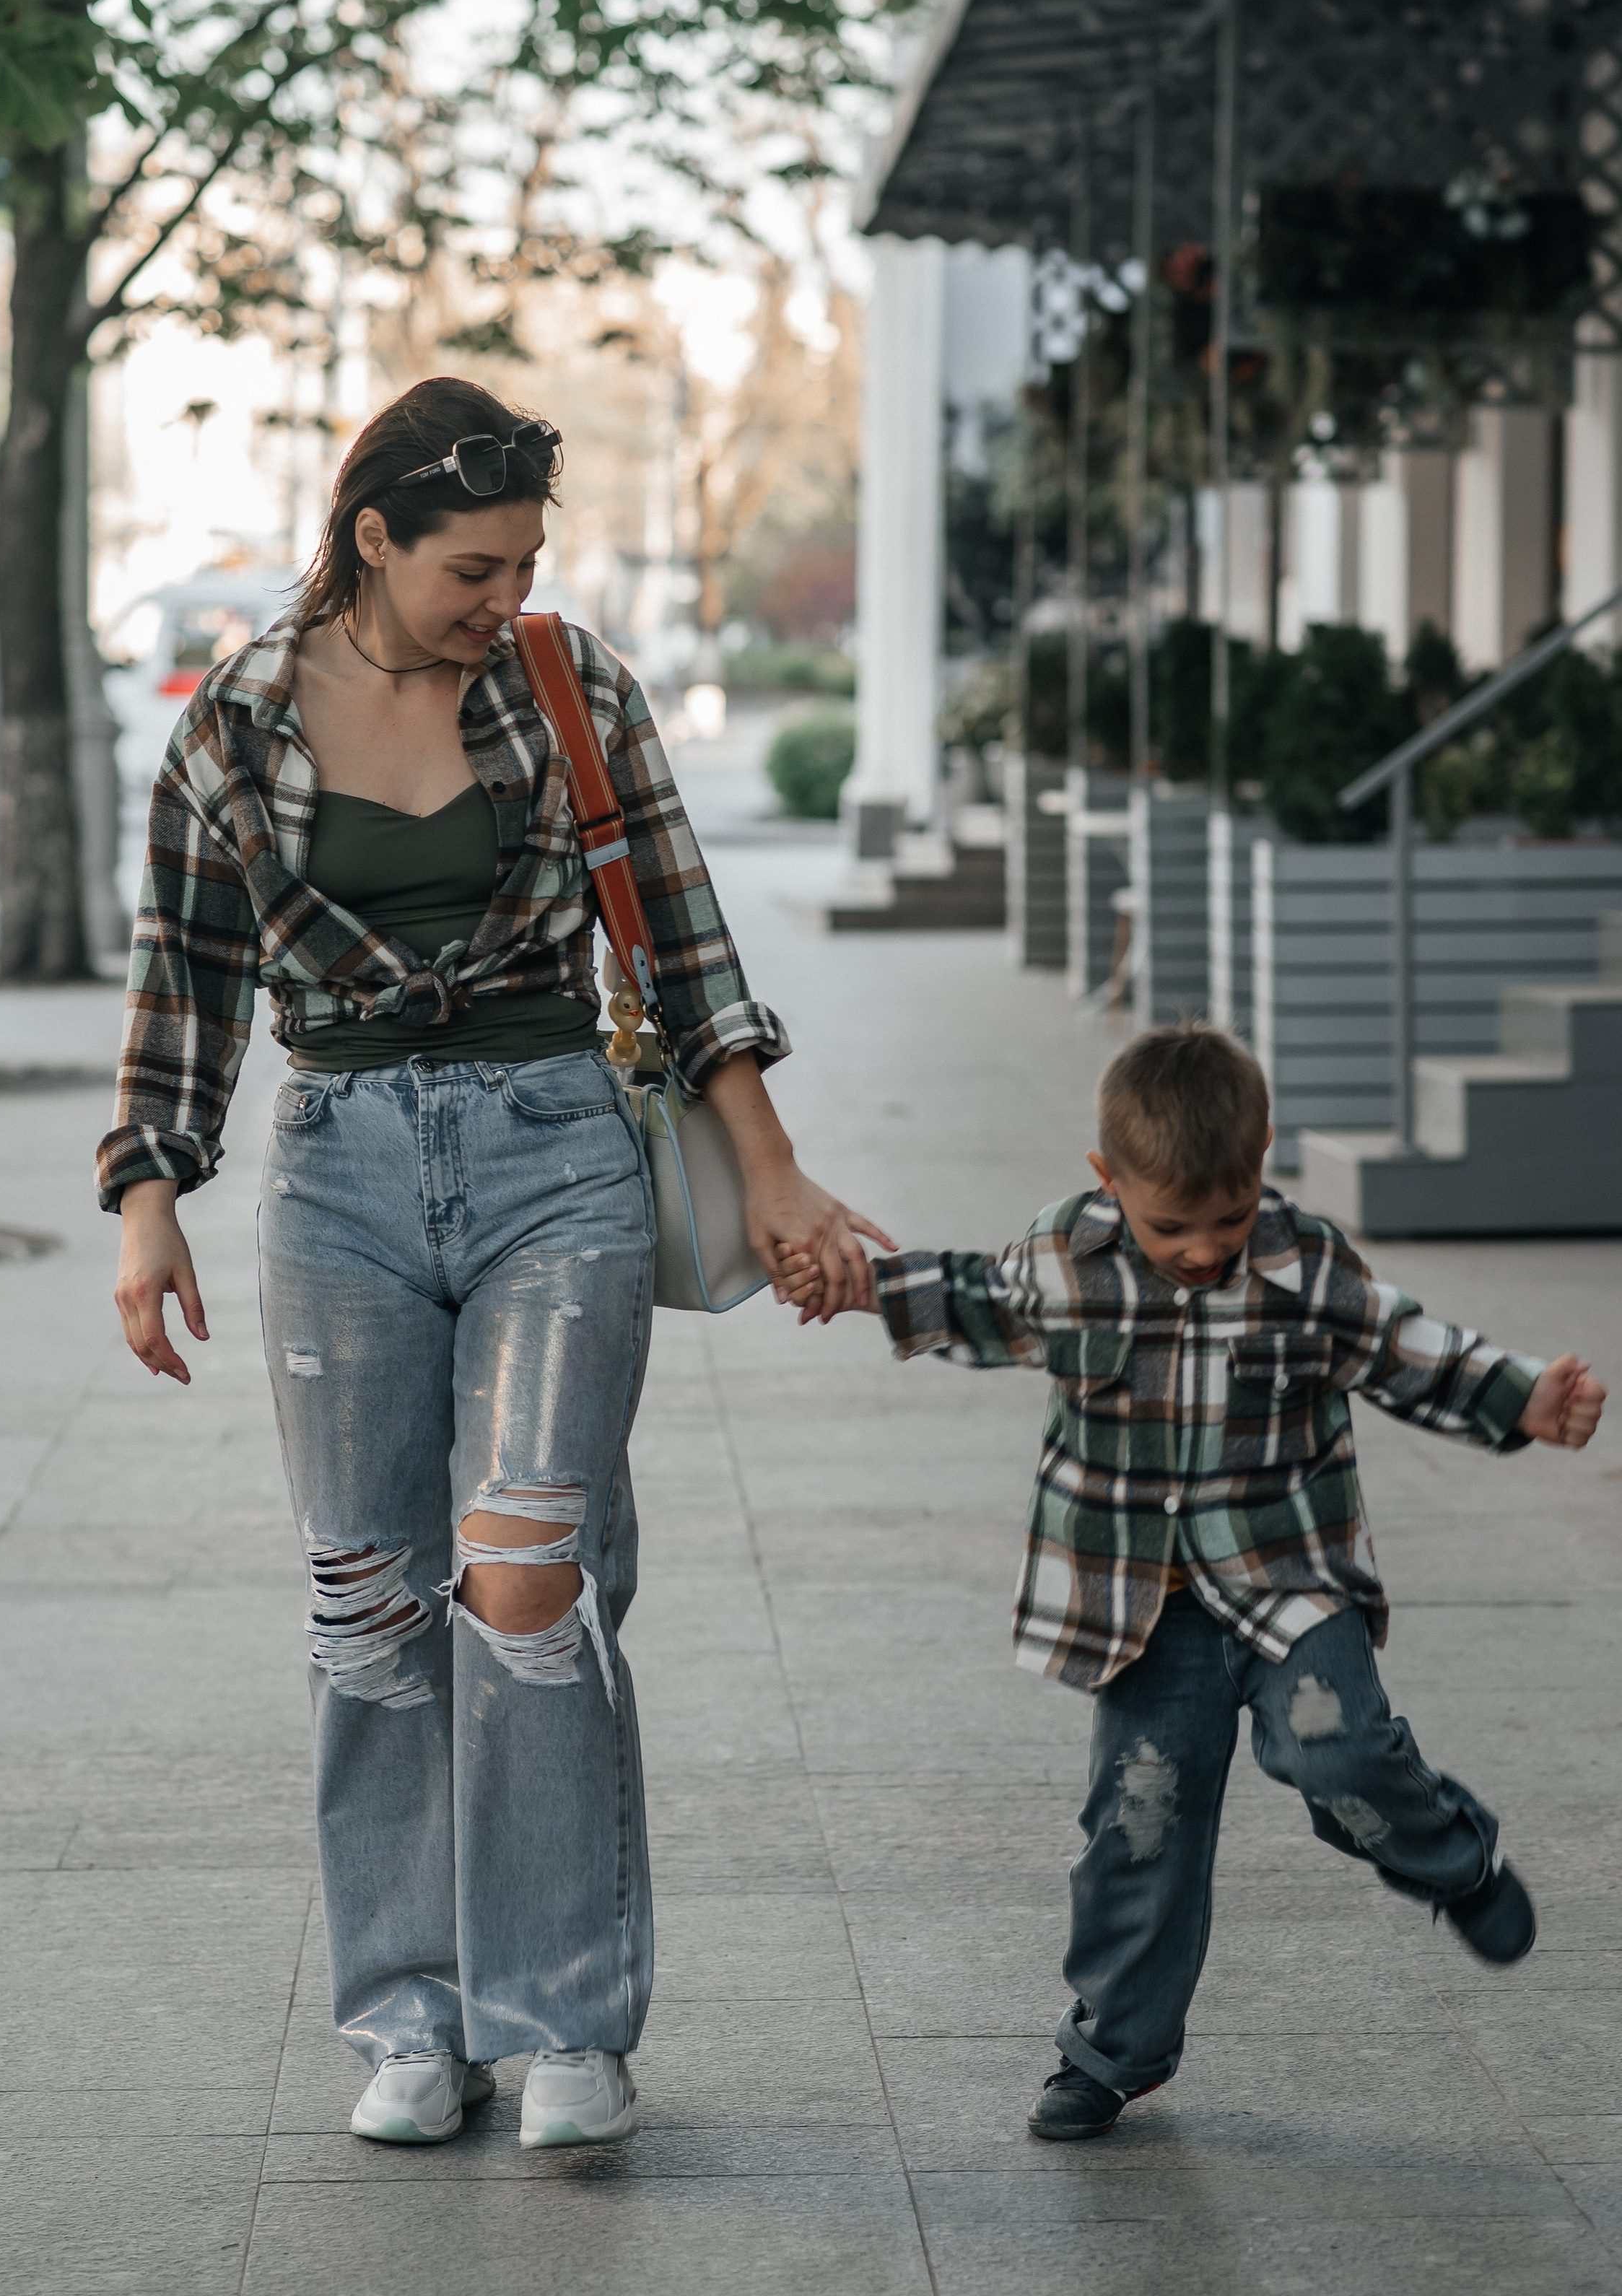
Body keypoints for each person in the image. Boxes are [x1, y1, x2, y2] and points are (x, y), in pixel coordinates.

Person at [99, 375, 884, 2150]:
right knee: (367, 1602)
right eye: (472, 567)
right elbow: (183, 971)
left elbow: (681, 937)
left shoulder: (567, 684)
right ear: (370, 538)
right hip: (337, 1175)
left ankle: (565, 2016)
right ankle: (412, 2015)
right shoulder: (235, 716)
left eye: (525, 562)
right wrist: (149, 1198)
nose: (503, 597)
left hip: (553, 1154)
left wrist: (769, 1172)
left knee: (528, 1583)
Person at [777, 1021, 1605, 2142]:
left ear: (1262, 1161)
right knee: (1141, 1824)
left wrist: (1524, 1398)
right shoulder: (1068, 1255)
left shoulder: (1307, 1265)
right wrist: (859, 1284)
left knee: (1338, 1754)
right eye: (1172, 1227)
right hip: (1142, 1608)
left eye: (1230, 1217)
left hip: (1290, 1584)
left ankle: (1455, 1865)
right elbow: (975, 1295)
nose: (1205, 1250)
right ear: (1108, 1178)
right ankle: (1113, 2050)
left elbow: (1407, 1349)